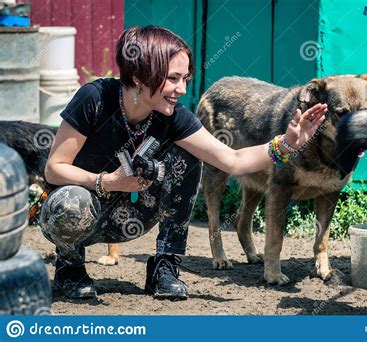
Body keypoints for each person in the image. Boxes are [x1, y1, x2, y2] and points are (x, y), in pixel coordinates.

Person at [40, 25, 327, 300]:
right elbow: (53, 169)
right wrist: (106, 181)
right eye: (173, 78)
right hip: (78, 215)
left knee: (190, 153)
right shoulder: (95, 98)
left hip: (132, 216)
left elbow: (234, 161)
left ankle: (166, 265)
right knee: (70, 200)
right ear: (141, 76)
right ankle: (70, 266)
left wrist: (289, 143)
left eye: (185, 79)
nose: (182, 89)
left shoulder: (174, 117)